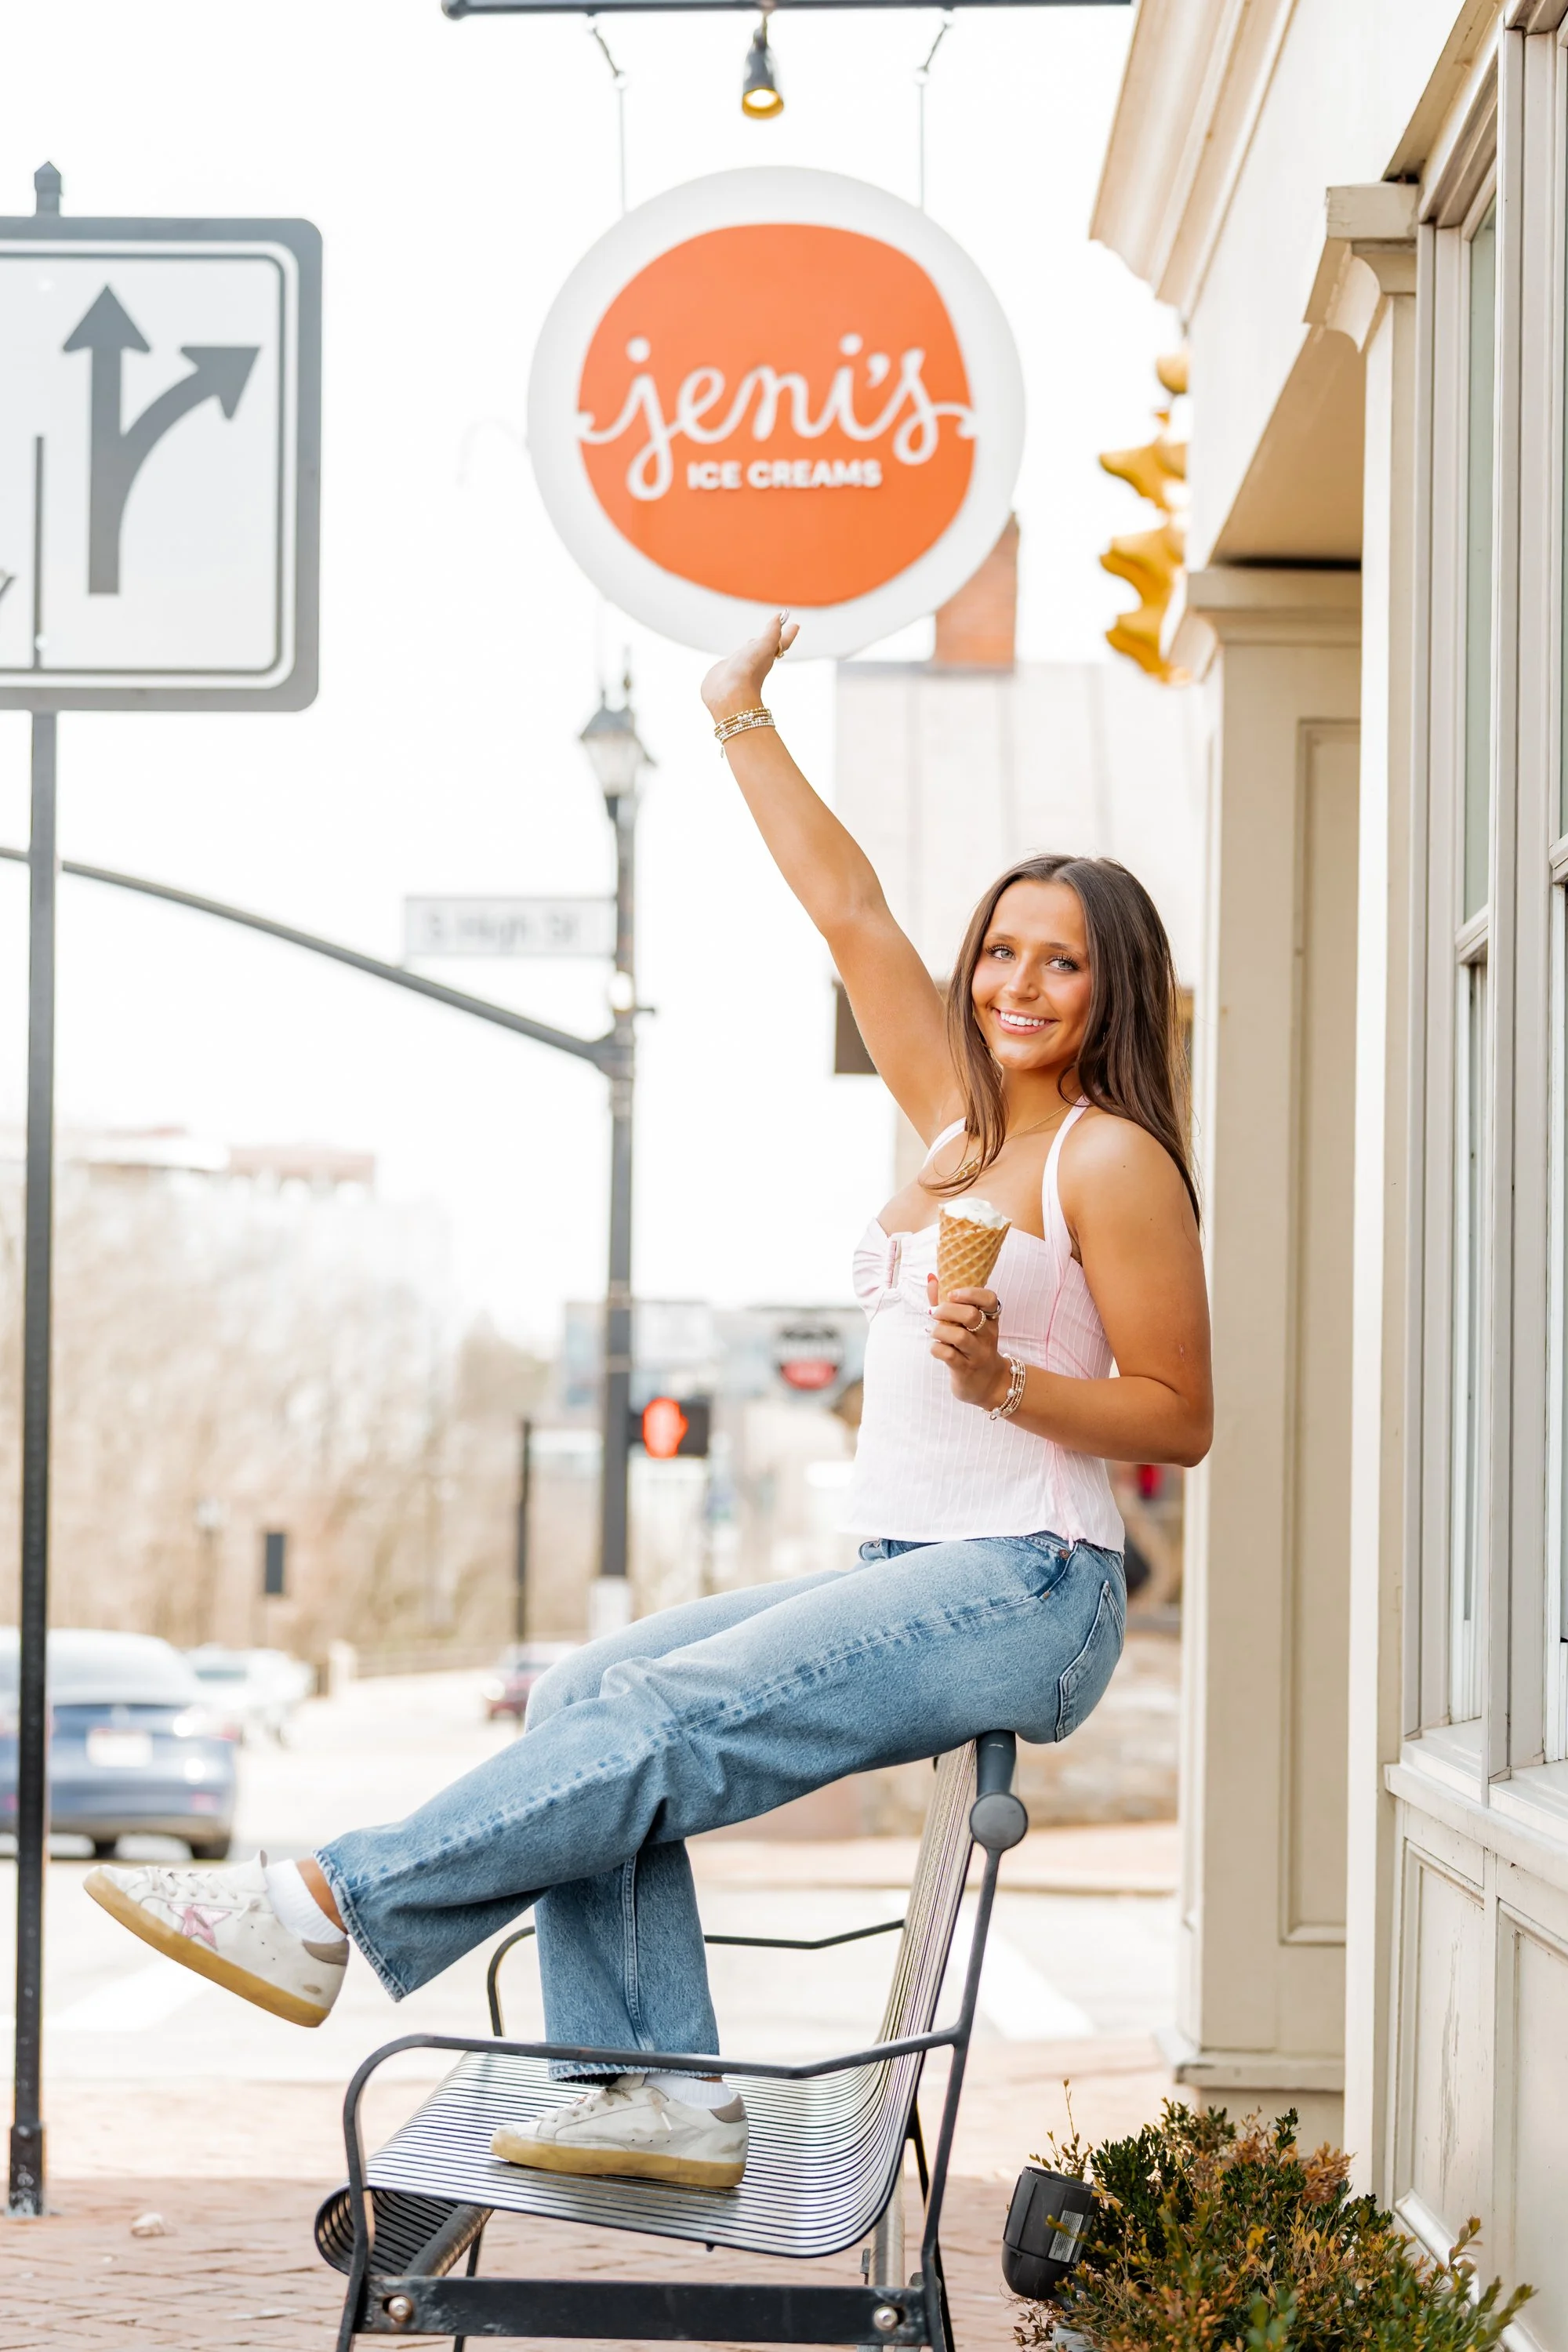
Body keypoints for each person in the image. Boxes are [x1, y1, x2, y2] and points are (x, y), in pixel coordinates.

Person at [87, 613, 1211, 2194]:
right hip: (916, 1566)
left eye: (1061, 959)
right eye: (1003, 948)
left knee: (666, 1727)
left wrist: (1005, 1377)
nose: (1018, 980)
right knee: (586, 1692)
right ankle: (645, 2088)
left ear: (1112, 988)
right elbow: (848, 905)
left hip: (1032, 1584)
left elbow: (1177, 1413)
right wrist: (733, 709)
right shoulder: (956, 1129)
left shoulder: (1109, 1154)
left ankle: (326, 1905)